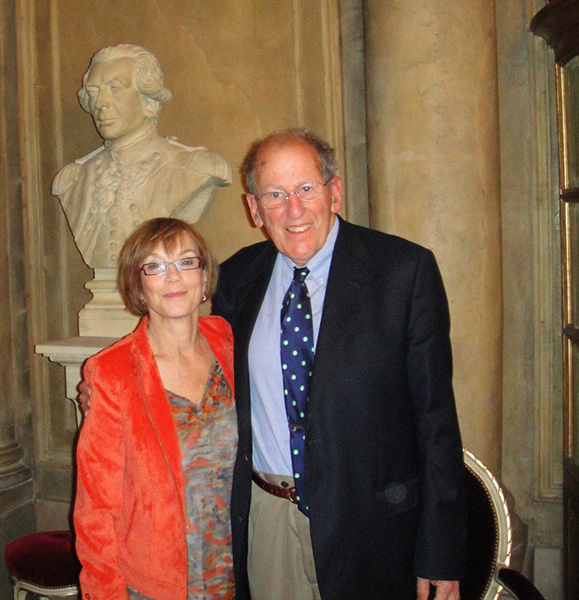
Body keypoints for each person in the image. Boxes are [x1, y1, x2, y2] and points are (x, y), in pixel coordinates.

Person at [212, 128, 467, 600]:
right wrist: (111, 387)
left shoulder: (403, 272)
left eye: (306, 188)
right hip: (269, 524)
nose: (294, 209)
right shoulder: (235, 279)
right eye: (275, 194)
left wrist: (441, 550)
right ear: (253, 209)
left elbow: (436, 424)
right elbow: (191, 363)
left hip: (374, 530)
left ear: (335, 191)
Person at [73, 218, 237, 600]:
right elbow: (95, 509)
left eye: (185, 261)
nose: (173, 277)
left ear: (203, 275)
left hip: (236, 569)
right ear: (139, 287)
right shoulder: (113, 371)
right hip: (155, 583)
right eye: (155, 266)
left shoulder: (228, 340)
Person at [52, 44, 231, 268]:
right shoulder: (75, 179)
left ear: (149, 101)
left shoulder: (192, 168)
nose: (99, 103)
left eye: (115, 88)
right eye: (94, 92)